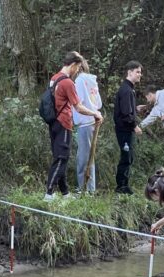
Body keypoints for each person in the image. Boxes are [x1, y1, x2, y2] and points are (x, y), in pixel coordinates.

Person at [44, 51, 103, 200]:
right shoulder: (68, 82)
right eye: (77, 67)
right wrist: (95, 113)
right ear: (73, 65)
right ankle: (49, 193)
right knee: (62, 157)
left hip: (53, 123)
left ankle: (65, 192)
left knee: (60, 156)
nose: (78, 70)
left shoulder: (54, 78)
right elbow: (78, 107)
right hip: (64, 123)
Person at [72, 59, 102, 194]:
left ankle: (83, 190)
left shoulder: (79, 81)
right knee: (89, 156)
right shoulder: (92, 80)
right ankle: (90, 189)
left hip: (85, 121)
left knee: (83, 157)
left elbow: (78, 102)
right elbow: (99, 102)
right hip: (92, 120)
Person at [113, 61, 142, 195]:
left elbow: (127, 109)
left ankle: (124, 185)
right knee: (126, 157)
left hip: (126, 129)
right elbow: (125, 113)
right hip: (124, 129)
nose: (139, 75)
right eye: (137, 72)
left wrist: (135, 109)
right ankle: (121, 186)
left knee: (128, 156)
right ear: (129, 72)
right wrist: (134, 125)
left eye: (140, 72)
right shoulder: (126, 90)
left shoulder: (129, 89)